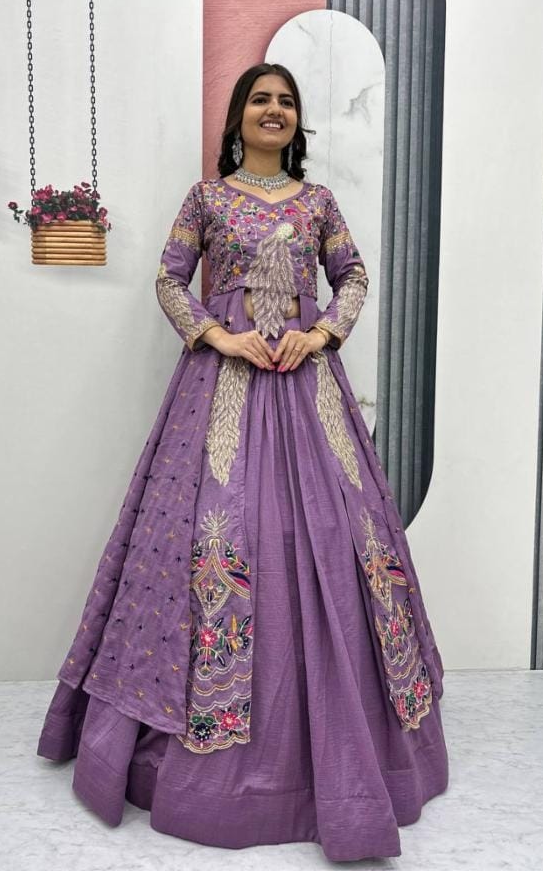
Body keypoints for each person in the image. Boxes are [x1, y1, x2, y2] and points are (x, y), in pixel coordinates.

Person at [37, 62, 449, 862]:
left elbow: (353, 276)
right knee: (219, 535)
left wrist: (320, 333)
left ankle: (354, 753)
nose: (274, 110)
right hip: (221, 387)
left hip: (308, 387)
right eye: (261, 99)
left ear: (297, 122)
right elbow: (169, 278)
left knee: (347, 536)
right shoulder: (206, 198)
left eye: (286, 101)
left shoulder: (318, 203)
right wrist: (216, 335)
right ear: (238, 117)